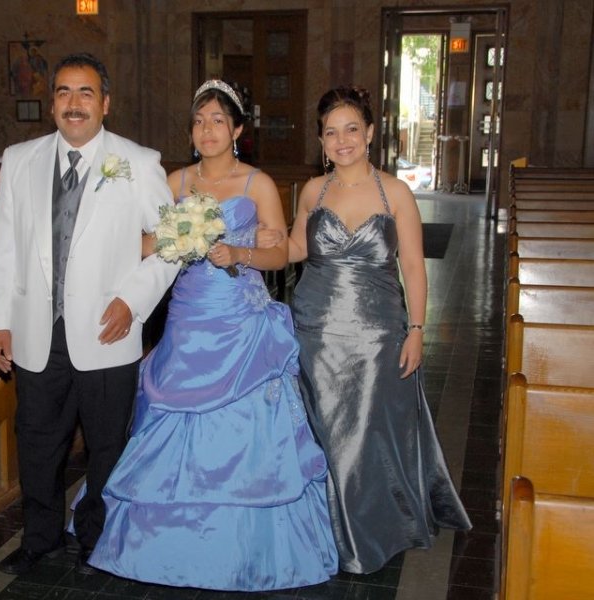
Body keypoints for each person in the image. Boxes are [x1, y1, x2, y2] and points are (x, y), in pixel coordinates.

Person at [68, 79, 338, 591]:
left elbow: (280, 253)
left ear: (237, 130)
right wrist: (173, 238)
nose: (207, 130)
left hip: (241, 323)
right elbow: (140, 242)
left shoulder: (257, 183)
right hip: (188, 319)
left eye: (218, 120)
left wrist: (240, 253)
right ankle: (159, 543)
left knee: (244, 434)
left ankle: (243, 544)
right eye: (198, 121)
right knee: (171, 423)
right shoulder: (174, 181)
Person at [0, 52, 179, 576]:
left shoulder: (137, 162)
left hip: (106, 330)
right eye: (64, 92)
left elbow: (174, 243)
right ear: (52, 103)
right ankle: (41, 539)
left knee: (106, 445)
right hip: (36, 330)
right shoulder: (20, 161)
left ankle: (98, 540)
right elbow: (3, 245)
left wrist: (132, 301)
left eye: (86, 93)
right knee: (37, 442)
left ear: (105, 103)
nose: (74, 103)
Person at [288, 86, 472, 574]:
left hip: (377, 333)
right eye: (331, 132)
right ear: (321, 140)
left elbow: (412, 265)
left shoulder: (396, 192)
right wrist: (245, 246)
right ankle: (323, 528)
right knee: (324, 431)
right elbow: (295, 249)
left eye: (352, 129)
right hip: (315, 330)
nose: (342, 140)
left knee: (367, 432)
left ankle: (370, 526)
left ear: (370, 133)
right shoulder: (313, 191)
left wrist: (417, 329)